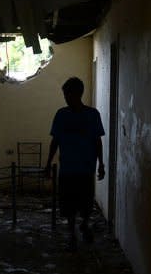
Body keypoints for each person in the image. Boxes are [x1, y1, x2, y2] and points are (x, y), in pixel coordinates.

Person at [44, 77, 105, 251]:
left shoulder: (92, 115)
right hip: (69, 168)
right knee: (69, 203)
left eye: (67, 94)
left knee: (85, 202)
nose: (65, 98)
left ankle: (84, 224)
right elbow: (55, 141)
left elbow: (97, 141)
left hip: (85, 168)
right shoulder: (62, 114)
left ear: (76, 94)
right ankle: (72, 233)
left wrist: (101, 164)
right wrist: (48, 163)